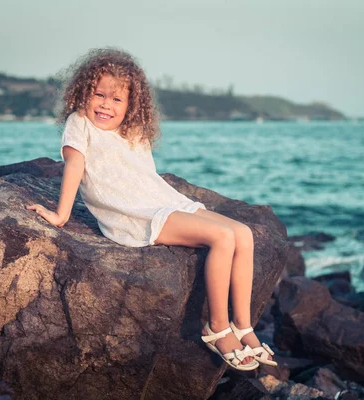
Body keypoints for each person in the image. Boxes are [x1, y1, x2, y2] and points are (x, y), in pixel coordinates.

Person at [26, 48, 275, 371]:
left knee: (242, 233)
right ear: (83, 93)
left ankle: (243, 327)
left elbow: (144, 177)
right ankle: (217, 327)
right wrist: (61, 214)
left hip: (158, 200)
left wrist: (175, 206)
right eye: (99, 95)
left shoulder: (133, 131)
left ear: (131, 104)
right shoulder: (80, 123)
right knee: (223, 238)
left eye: (116, 100)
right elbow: (74, 165)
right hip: (130, 214)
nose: (105, 105)